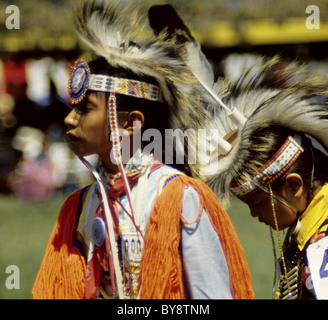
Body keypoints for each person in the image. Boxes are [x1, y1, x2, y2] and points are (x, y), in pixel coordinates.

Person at [32, 0, 254, 299]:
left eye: (85, 109)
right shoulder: (83, 203)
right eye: (73, 108)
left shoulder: (176, 196)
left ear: (131, 124)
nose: (69, 119)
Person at [205, 57, 328, 299]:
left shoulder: (321, 247)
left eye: (258, 202)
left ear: (294, 185)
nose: (253, 215)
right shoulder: (304, 236)